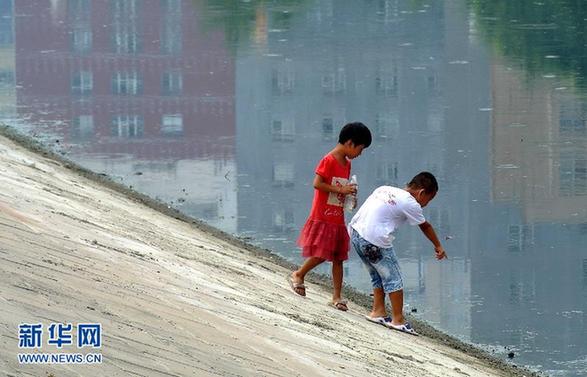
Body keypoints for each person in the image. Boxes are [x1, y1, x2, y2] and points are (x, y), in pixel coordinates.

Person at [349, 172, 447, 334]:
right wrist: (438, 246)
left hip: (356, 234)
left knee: (377, 275)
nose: (426, 205)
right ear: (421, 193)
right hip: (374, 240)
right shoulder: (410, 203)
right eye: (428, 200)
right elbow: (425, 226)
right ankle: (398, 319)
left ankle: (378, 311)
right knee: (394, 277)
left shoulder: (384, 188)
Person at [288, 122, 372, 311]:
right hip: (323, 214)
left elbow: (340, 190)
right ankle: (299, 274)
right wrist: (340, 189)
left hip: (337, 215)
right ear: (350, 143)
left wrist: (348, 195)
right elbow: (317, 183)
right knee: (322, 253)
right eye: (360, 148)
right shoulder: (329, 159)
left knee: (338, 257)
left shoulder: (347, 164)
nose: (360, 153)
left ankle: (336, 296)